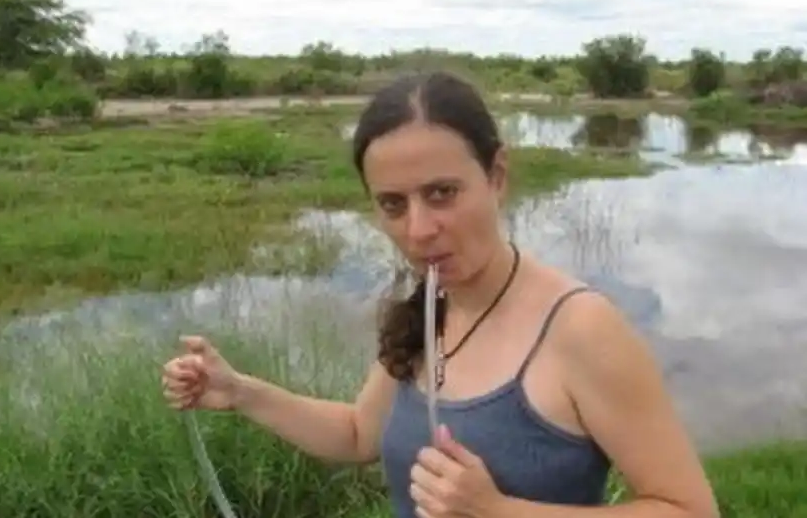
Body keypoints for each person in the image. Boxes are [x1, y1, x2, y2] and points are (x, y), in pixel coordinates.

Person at [161, 71, 719, 518]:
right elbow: (358, 434)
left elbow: (688, 508)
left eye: (442, 193)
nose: (419, 229)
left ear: (497, 175)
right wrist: (239, 392)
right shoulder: (424, 311)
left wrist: (499, 512)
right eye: (393, 204)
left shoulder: (580, 330)